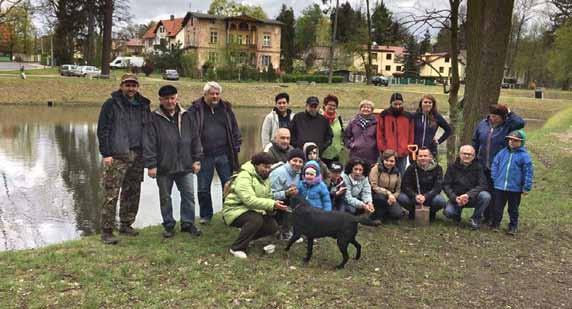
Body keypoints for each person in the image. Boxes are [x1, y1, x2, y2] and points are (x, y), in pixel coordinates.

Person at [96, 74, 151, 244]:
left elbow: (148, 129)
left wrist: (148, 154)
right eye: (127, 85)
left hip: (138, 154)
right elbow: (102, 129)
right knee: (111, 193)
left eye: (134, 85)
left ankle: (126, 224)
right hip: (117, 155)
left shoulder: (143, 105)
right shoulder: (111, 104)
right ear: (121, 86)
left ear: (138, 87)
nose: (131, 88)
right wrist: (106, 153)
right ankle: (106, 231)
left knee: (132, 191)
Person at [143, 85, 203, 238]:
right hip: (164, 166)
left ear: (177, 98)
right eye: (166, 99)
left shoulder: (187, 115)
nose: (170, 101)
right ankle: (169, 225)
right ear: (160, 100)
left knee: (189, 196)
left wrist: (196, 159)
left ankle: (188, 223)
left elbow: (195, 138)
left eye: (172, 98)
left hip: (186, 165)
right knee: (165, 198)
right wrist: (151, 165)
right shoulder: (153, 117)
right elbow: (149, 142)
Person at [191, 81, 242, 225]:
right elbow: (189, 132)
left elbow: (235, 129)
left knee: (229, 185)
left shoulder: (226, 108)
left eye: (217, 94)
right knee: (203, 188)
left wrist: (236, 147)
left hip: (224, 155)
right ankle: (206, 215)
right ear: (205, 94)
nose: (215, 96)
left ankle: (229, 213)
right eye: (212, 94)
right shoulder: (195, 109)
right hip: (204, 156)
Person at [223, 152, 289, 259]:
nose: (267, 170)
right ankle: (237, 248)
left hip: (251, 210)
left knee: (272, 226)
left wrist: (273, 207)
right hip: (234, 210)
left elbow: (268, 196)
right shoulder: (244, 176)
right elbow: (249, 200)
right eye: (265, 167)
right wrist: (271, 204)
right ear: (256, 165)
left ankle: (246, 239)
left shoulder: (265, 177)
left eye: (269, 167)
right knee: (256, 219)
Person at [472, 103, 525, 224]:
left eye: (496, 116)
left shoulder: (508, 125)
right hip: (482, 164)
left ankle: (493, 219)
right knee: (485, 191)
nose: (493, 118)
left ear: (503, 117)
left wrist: (510, 112)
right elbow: (475, 140)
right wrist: (473, 155)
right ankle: (484, 216)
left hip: (499, 166)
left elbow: (520, 123)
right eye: (492, 115)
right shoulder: (483, 124)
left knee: (496, 194)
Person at [490, 130, 533, 235]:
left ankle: (513, 226)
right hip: (500, 186)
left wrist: (526, 187)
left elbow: (528, 172)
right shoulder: (502, 152)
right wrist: (495, 177)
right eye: (510, 139)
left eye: (515, 140)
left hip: (515, 188)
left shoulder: (524, 156)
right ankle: (496, 224)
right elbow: (495, 164)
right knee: (498, 207)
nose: (512, 142)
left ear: (521, 142)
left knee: (513, 208)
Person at [442, 145, 491, 229]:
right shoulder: (452, 167)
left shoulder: (478, 167)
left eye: (470, 154)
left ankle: (475, 219)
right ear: (460, 154)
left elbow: (483, 184)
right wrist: (454, 198)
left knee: (485, 196)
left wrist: (468, 195)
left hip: (472, 198)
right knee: (448, 212)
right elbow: (446, 185)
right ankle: (456, 215)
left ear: (474, 156)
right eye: (464, 153)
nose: (467, 156)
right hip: (456, 198)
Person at [398, 147, 446, 222]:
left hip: (430, 197)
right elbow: (405, 185)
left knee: (440, 200)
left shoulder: (438, 168)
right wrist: (415, 195)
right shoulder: (411, 168)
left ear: (430, 157)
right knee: (401, 198)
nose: (423, 158)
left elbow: (438, 187)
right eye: (420, 156)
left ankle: (431, 213)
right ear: (417, 157)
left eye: (425, 156)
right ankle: (413, 212)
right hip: (414, 197)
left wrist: (426, 196)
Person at [269, 149, 305, 240]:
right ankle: (285, 233)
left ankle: (293, 229)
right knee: (292, 205)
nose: (297, 164)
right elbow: (268, 194)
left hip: (286, 198)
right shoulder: (279, 173)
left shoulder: (297, 172)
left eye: (300, 161)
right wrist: (286, 193)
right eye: (295, 160)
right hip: (272, 202)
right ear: (289, 161)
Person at [377, 92, 414, 174]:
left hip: (402, 152)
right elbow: (380, 133)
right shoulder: (384, 115)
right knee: (384, 175)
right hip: (387, 153)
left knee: (401, 174)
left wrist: (407, 148)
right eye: (395, 104)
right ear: (391, 103)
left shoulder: (408, 116)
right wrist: (383, 149)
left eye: (400, 104)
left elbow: (411, 134)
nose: (398, 106)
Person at [369, 150, 403, 221]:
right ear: (382, 160)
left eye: (391, 161)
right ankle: (379, 216)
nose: (389, 163)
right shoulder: (376, 169)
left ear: (395, 162)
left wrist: (393, 196)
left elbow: (398, 189)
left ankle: (385, 213)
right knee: (380, 198)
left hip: (391, 196)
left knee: (398, 214)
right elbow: (374, 186)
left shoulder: (397, 172)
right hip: (377, 194)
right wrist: (388, 193)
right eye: (386, 160)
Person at [344, 99, 378, 165]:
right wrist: (351, 145)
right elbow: (345, 136)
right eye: (364, 107)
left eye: (368, 107)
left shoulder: (377, 123)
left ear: (372, 110)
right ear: (360, 109)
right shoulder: (353, 122)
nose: (366, 109)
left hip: (371, 156)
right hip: (355, 155)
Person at [321, 94, 345, 166]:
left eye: (334, 105)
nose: (332, 107)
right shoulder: (320, 119)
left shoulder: (339, 120)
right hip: (323, 155)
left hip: (337, 155)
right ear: (325, 105)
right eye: (330, 105)